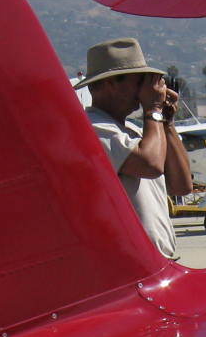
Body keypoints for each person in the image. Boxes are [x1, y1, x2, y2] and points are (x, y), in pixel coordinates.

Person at [76, 38, 193, 258]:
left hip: (156, 261)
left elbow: (182, 186)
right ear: (111, 84)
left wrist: (166, 122)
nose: (147, 90)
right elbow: (149, 165)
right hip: (129, 262)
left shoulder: (139, 131)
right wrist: (154, 109)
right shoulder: (92, 129)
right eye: (140, 81)